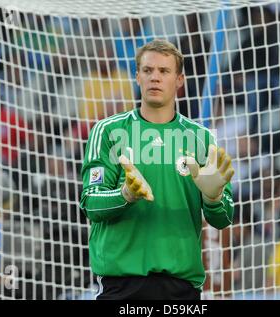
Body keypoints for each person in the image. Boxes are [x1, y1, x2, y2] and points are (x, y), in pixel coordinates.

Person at [80, 39, 235, 300]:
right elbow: (90, 204)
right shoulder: (107, 131)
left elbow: (223, 219)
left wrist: (213, 198)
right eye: (148, 70)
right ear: (137, 76)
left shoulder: (202, 138)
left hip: (182, 289)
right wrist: (125, 195)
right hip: (121, 286)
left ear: (179, 80)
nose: (155, 77)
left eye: (164, 71)